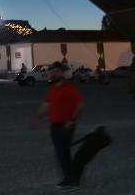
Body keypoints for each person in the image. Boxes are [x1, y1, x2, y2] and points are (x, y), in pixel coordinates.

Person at [35, 61, 84, 190]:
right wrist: (37, 118)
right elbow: (46, 105)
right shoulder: (52, 89)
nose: (53, 74)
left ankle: (71, 181)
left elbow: (80, 104)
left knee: (63, 153)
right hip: (54, 126)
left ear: (62, 73)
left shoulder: (68, 88)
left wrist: (72, 120)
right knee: (61, 153)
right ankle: (70, 178)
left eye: (56, 72)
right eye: (52, 72)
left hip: (66, 126)